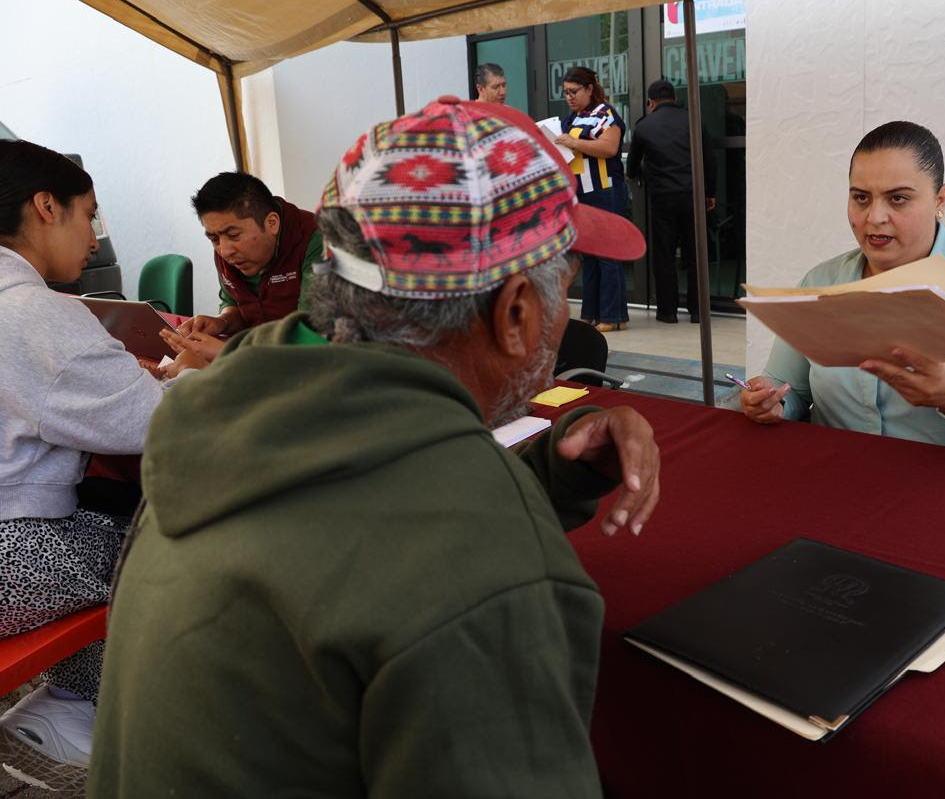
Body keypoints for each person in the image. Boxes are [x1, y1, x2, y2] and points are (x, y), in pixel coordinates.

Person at [89, 96, 658, 797]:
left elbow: (363, 538)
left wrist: (554, 470)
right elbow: (424, 562)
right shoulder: (490, 565)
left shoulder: (228, 422)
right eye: (565, 285)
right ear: (515, 313)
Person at [0, 140, 185, 776]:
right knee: (163, 545)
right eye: (89, 214)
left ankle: (71, 700)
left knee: (99, 515)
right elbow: (157, 420)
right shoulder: (31, 312)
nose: (94, 235)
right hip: (10, 561)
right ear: (45, 206)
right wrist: (184, 376)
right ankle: (90, 706)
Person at [740, 121, 945, 462]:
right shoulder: (824, 281)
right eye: (861, 198)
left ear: (940, 199)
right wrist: (771, 401)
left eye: (898, 199)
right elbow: (789, 388)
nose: (875, 217)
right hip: (844, 481)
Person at [170, 172, 323, 361]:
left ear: (272, 223)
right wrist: (222, 322)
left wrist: (228, 353)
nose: (225, 251)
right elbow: (234, 303)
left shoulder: (316, 241)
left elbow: (310, 332)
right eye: (214, 239)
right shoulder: (229, 251)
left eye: (234, 235)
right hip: (257, 357)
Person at [626, 78, 716, 324]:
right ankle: (698, 311)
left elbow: (632, 164)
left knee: (664, 254)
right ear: (675, 99)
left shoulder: (644, 126)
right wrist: (710, 193)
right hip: (692, 196)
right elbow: (708, 158)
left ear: (650, 102)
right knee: (695, 253)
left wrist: (634, 175)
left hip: (663, 198)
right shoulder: (694, 119)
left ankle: (668, 312)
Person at [555, 66, 629, 332]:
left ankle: (612, 315)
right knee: (590, 255)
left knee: (608, 254)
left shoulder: (606, 114)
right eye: (565, 93)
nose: (569, 97)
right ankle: (592, 313)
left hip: (605, 190)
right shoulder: (570, 119)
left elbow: (609, 148)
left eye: (574, 91)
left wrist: (575, 144)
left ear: (589, 89)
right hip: (580, 192)